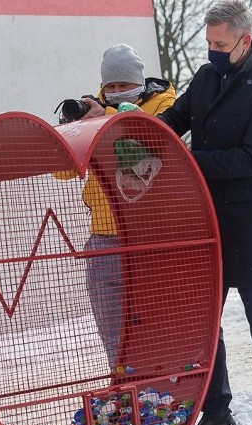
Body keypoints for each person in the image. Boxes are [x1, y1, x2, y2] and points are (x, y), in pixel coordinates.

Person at [157, 0, 252, 425]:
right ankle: (217, 411)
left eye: (220, 44)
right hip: (204, 217)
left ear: (244, 40)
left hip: (249, 224)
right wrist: (140, 132)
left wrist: (187, 161)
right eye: (209, 43)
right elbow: (175, 119)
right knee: (203, 323)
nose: (213, 51)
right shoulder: (206, 77)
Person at [75, 44, 176, 371]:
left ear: (140, 81)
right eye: (111, 87)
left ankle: (161, 384)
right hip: (103, 236)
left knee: (155, 320)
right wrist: (70, 127)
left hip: (150, 235)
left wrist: (102, 118)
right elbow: (63, 170)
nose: (116, 92)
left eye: (123, 85)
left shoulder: (164, 103)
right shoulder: (93, 109)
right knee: (111, 324)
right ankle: (124, 384)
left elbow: (147, 136)